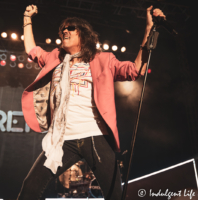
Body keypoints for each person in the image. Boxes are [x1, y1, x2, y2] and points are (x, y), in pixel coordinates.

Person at [18, 4, 166, 200]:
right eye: (63, 28)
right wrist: (27, 19)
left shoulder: (102, 59)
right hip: (62, 141)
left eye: (71, 28)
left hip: (95, 137)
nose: (65, 31)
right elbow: (31, 49)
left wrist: (149, 29)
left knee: (115, 195)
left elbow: (134, 70)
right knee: (30, 188)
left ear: (83, 35)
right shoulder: (55, 58)